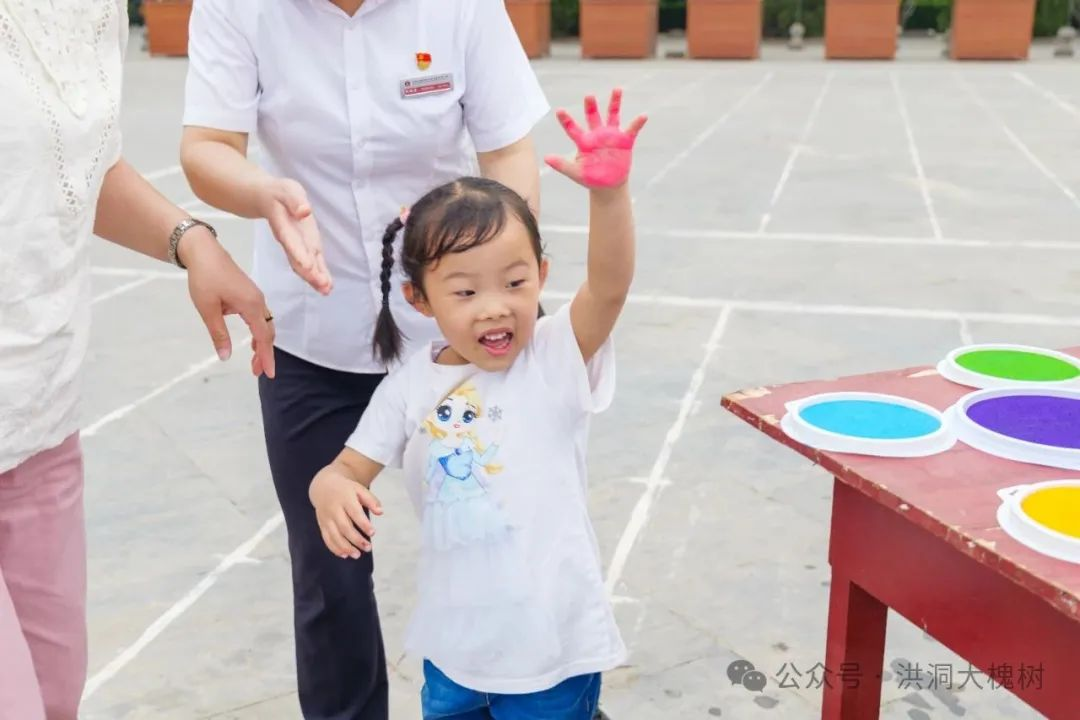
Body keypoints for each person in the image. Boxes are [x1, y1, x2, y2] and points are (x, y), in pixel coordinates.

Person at [178, 1, 549, 717]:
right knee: (330, 574)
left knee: (506, 540)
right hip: (311, 337)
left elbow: (507, 148)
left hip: (459, 336)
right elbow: (207, 146)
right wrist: (263, 191)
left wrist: (502, 284)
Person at [307, 88, 646, 720]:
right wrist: (329, 488)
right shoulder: (408, 386)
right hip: (454, 650)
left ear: (541, 275)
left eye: (515, 283)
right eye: (465, 292)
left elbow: (609, 287)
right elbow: (347, 468)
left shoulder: (553, 357)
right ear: (419, 298)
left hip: (552, 649)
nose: (494, 307)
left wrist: (608, 196)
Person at [0, 2, 276, 718]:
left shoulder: (92, 13)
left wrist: (190, 241)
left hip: (39, 423)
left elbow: (78, 166)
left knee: (54, 699)